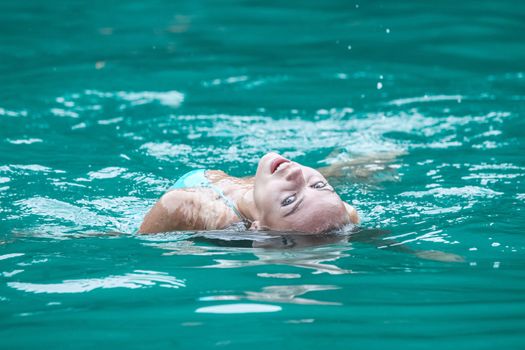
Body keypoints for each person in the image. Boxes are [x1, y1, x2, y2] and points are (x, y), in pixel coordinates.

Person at [138, 152, 359, 234]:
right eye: (319, 186)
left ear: (259, 227)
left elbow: (136, 244)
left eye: (290, 201)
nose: (296, 173)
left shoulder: (184, 205)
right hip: (260, 186)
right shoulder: (344, 215)